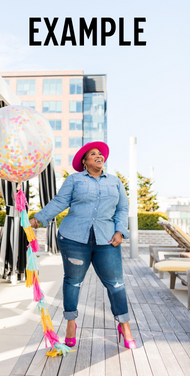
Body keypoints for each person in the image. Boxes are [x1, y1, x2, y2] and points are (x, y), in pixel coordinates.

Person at [30, 141, 136, 349]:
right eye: (93, 154)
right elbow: (60, 202)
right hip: (73, 239)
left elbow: (122, 209)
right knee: (73, 282)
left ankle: (125, 326)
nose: (99, 156)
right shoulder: (75, 180)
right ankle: (71, 324)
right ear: (84, 161)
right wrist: (38, 219)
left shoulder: (115, 182)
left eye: (100, 154)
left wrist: (120, 231)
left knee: (116, 284)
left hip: (107, 239)